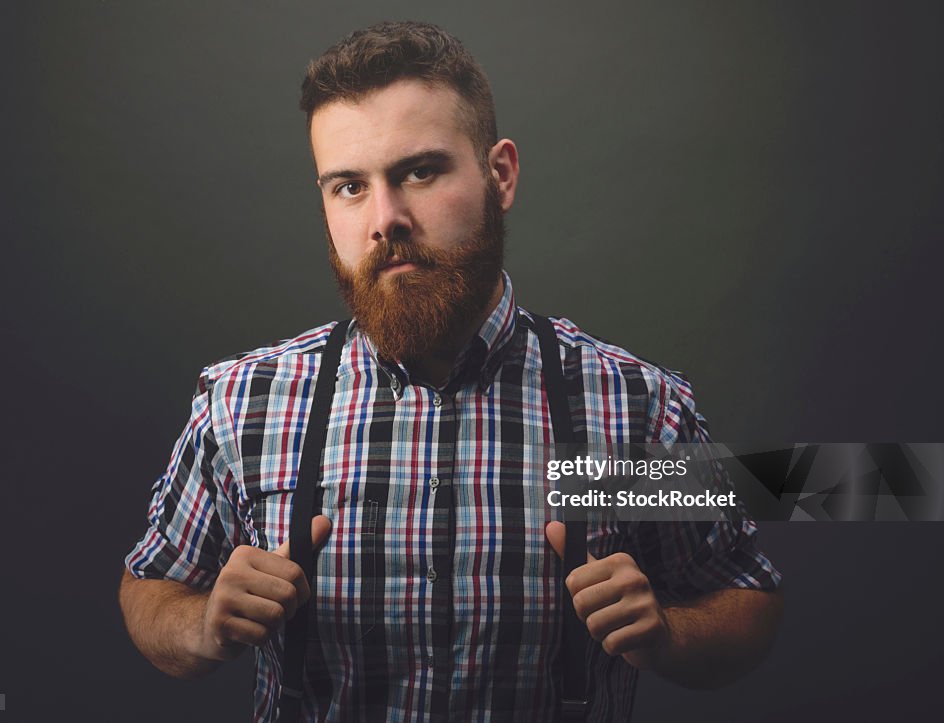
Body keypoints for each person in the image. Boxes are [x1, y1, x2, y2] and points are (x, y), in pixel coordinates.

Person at [118, 21, 783, 722]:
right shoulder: (241, 403)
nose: (386, 218)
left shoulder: (635, 406)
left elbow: (745, 596)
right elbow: (150, 586)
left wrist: (669, 634)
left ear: (500, 174)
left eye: (419, 171)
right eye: (349, 185)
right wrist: (202, 624)